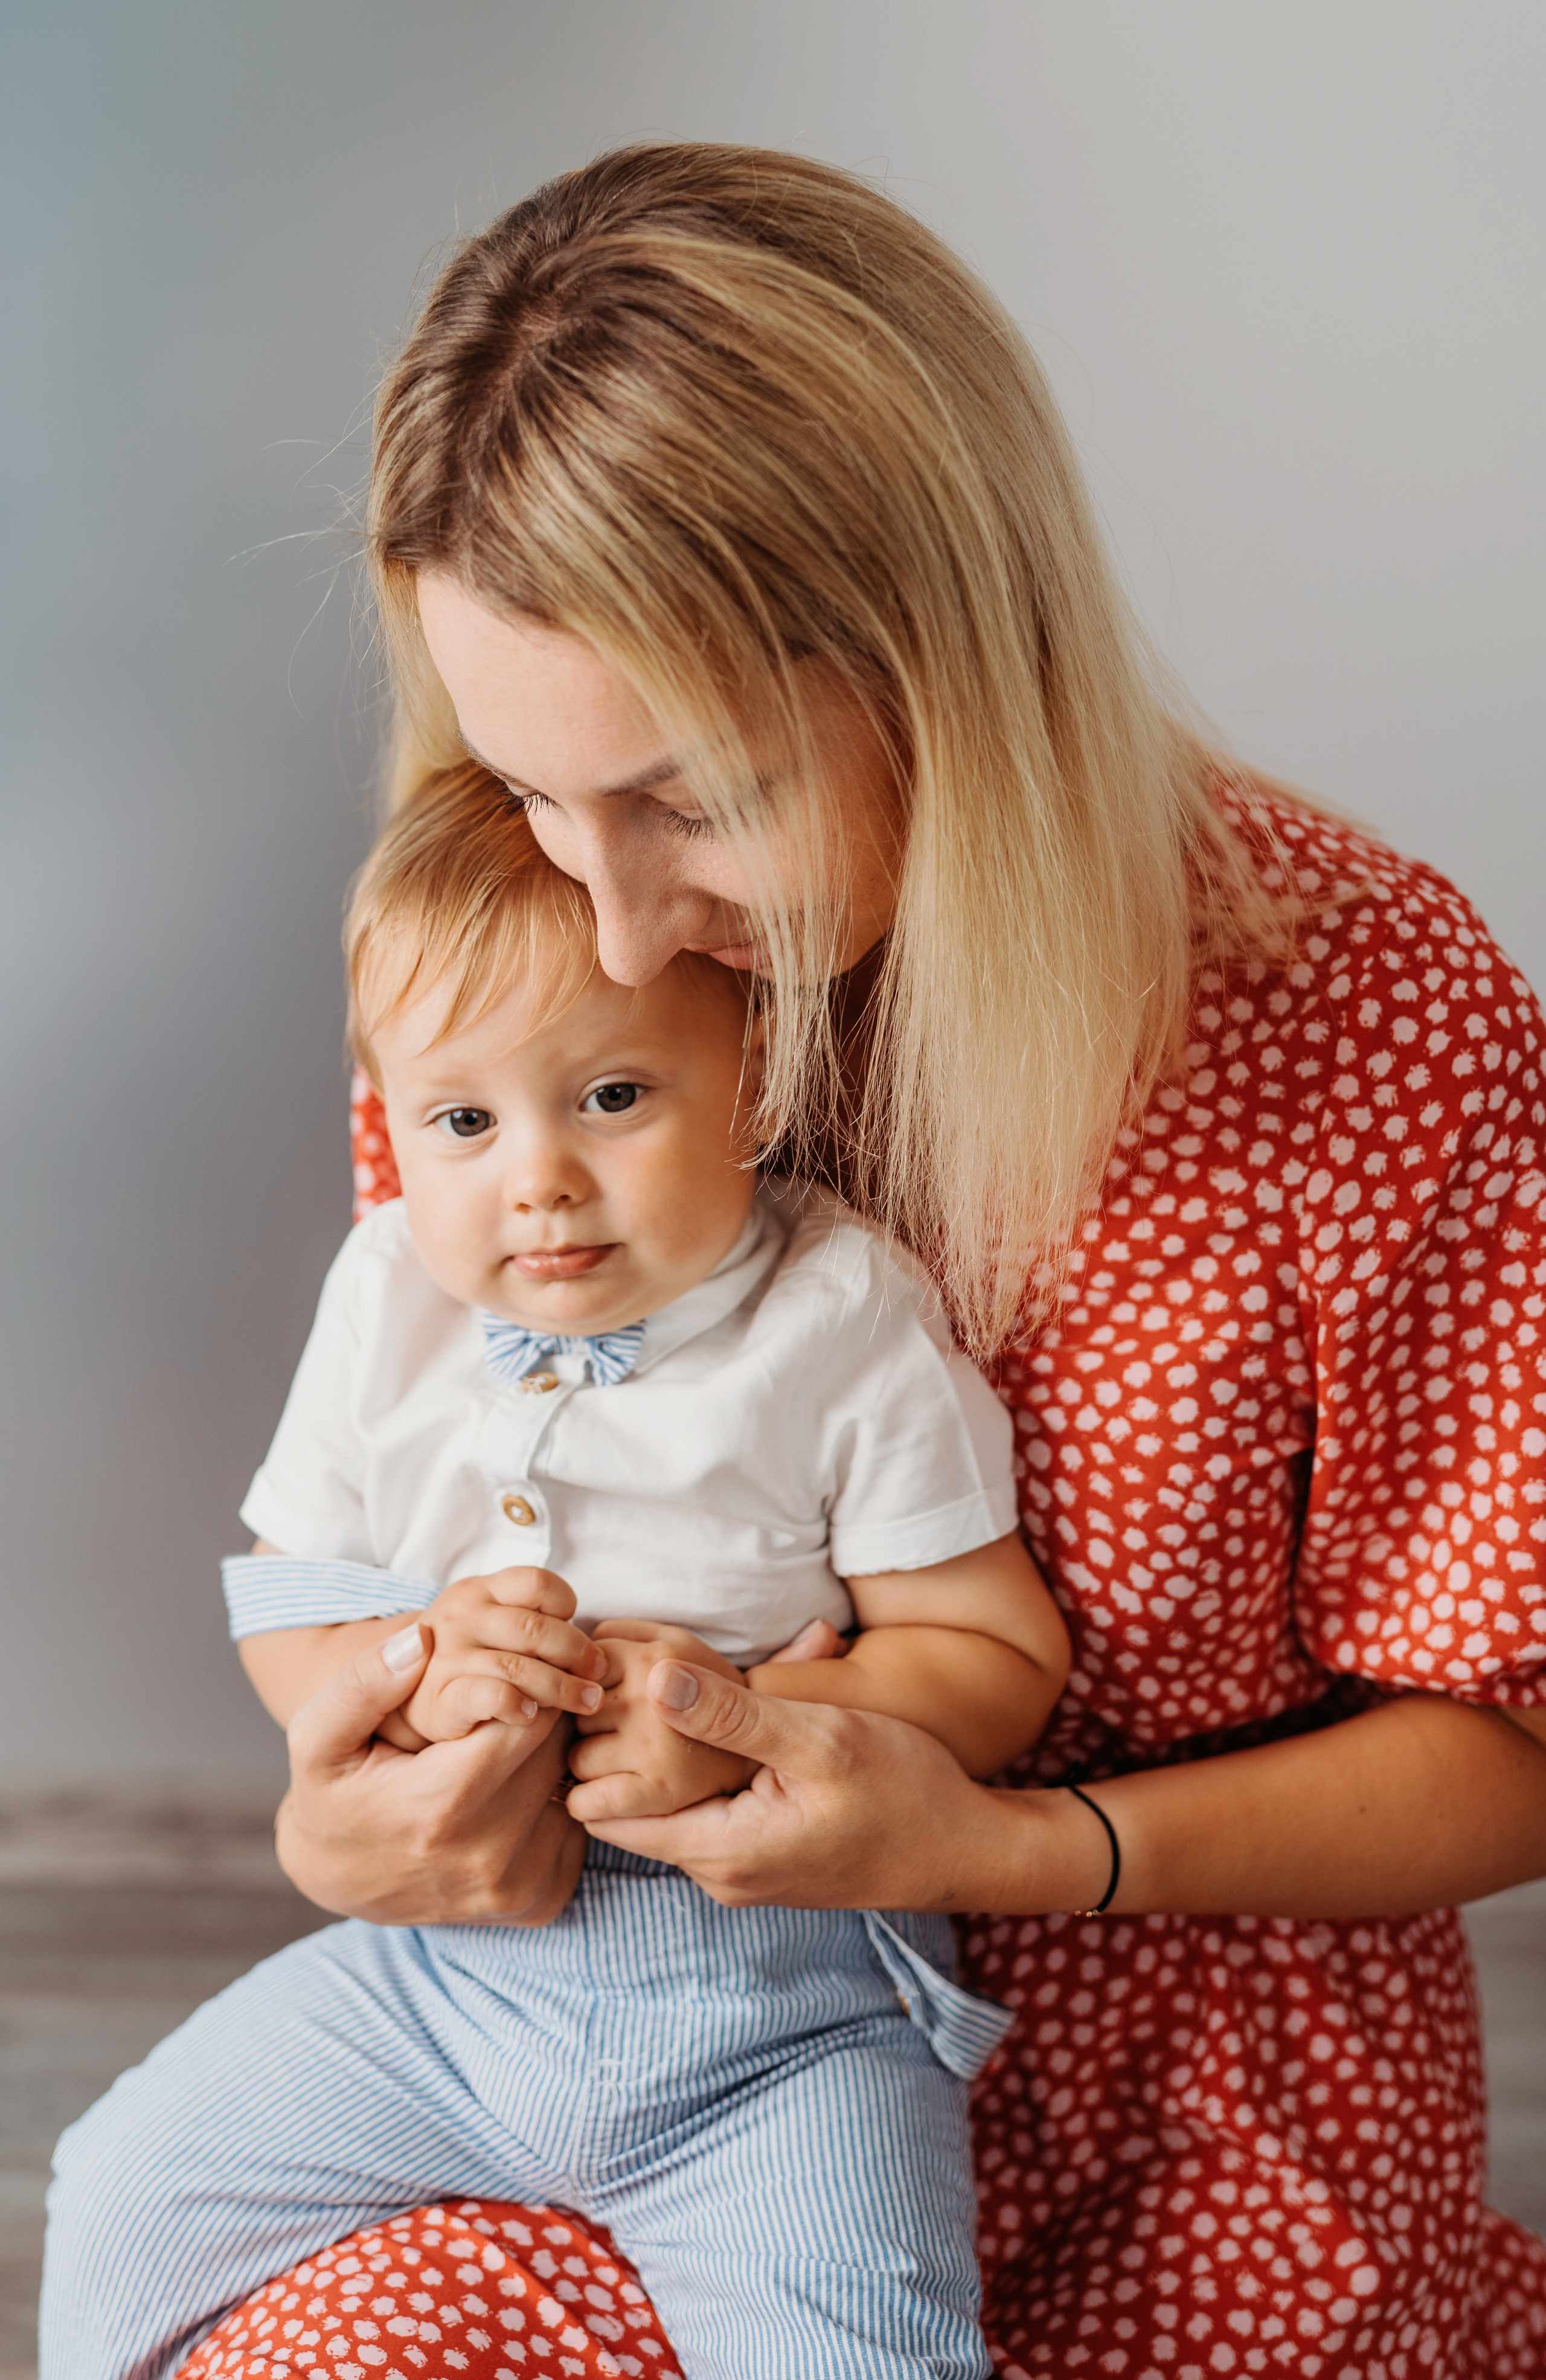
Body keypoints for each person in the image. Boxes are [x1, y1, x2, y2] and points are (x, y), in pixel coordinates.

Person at [48, 141, 1546, 2380]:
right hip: (579, 2068)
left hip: (1196, 2129)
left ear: (954, 662)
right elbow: (370, 1556)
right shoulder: (528, 964)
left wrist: (1009, 1849)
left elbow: (1506, 1742)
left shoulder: (1362, 1001)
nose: (617, 916)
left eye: (693, 796)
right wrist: (372, 1814)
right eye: (538, 791)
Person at [48, 766, 1070, 2380]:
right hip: (438, 1988)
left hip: (781, 2016)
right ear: (397, 1120)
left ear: (751, 1079)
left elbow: (991, 1653)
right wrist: (401, 1685)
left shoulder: (836, 1312)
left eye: (610, 1098)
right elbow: (289, 1594)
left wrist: (745, 1717)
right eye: (465, 1119)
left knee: (864, 2342)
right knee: (117, 2184)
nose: (538, 1176)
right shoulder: (392, 1288)